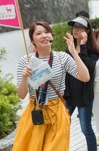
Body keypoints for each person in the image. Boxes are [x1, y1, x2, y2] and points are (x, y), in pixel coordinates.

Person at [12, 21, 90, 151]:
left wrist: (74, 53)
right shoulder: (25, 61)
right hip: (35, 113)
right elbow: (21, 95)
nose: (44, 35)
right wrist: (25, 77)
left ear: (51, 36)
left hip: (57, 113)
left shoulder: (62, 57)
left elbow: (85, 77)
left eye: (46, 32)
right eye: (39, 33)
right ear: (32, 41)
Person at [64, 16, 99, 151]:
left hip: (84, 95)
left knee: (86, 128)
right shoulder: (69, 46)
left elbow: (89, 69)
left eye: (79, 27)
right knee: (63, 124)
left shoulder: (92, 50)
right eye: (74, 27)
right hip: (69, 94)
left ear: (87, 31)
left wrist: (82, 46)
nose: (75, 29)